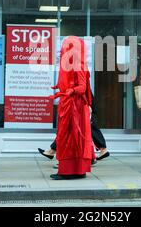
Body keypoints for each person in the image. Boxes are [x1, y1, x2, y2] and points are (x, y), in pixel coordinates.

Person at [49, 36, 93, 180]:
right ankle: (75, 170)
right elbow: (67, 81)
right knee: (67, 137)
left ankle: (69, 171)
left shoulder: (78, 65)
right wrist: (59, 87)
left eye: (66, 47)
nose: (63, 50)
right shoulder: (69, 64)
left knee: (70, 137)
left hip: (75, 107)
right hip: (68, 104)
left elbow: (82, 87)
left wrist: (71, 91)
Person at [38, 91, 110, 162]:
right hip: (81, 99)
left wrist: (87, 104)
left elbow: (81, 87)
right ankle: (100, 150)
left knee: (69, 129)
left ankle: (53, 151)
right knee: (81, 128)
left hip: (81, 100)